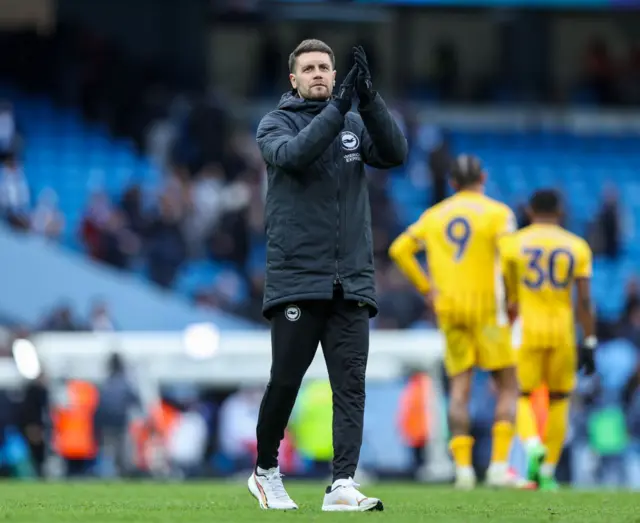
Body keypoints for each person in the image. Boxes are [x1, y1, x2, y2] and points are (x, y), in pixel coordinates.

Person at [248, 39, 407, 512]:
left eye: (326, 67)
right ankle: (265, 471)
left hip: (351, 278)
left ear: (335, 75)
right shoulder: (273, 124)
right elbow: (297, 154)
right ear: (293, 79)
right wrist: (340, 108)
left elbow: (395, 152)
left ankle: (342, 484)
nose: (318, 73)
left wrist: (370, 100)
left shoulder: (353, 120)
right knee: (286, 381)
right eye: (309, 68)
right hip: (298, 275)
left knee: (350, 384)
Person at [388, 155, 524, 489]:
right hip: (488, 310)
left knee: (459, 389)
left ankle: (462, 470)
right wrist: (513, 297)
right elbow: (510, 256)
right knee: (507, 385)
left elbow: (399, 249)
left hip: (449, 310)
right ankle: (498, 466)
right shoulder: (498, 213)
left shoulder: (434, 215)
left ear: (452, 183)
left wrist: (427, 288)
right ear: (484, 177)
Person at [500, 189, 596, 491]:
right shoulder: (577, 246)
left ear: (529, 210)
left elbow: (507, 297)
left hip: (526, 329)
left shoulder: (512, 244)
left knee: (523, 395)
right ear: (561, 211)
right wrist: (589, 340)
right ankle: (549, 470)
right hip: (562, 331)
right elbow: (584, 302)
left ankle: (531, 446)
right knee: (559, 399)